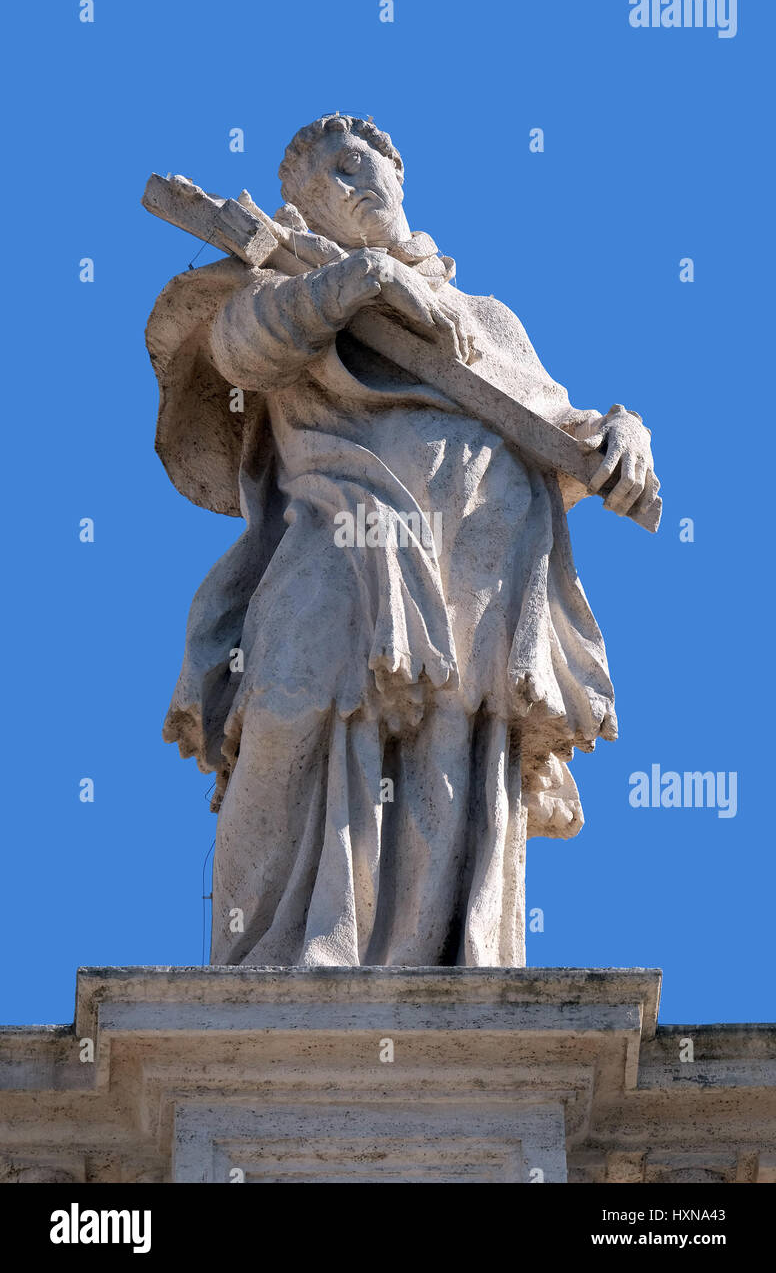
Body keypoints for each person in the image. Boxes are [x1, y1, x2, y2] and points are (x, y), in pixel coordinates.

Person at [146, 114, 655, 967]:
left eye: (367, 166)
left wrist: (624, 433)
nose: (360, 185)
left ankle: (435, 963)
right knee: (288, 706)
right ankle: (272, 959)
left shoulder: (484, 319)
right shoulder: (285, 283)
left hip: (478, 563)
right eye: (333, 179)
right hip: (343, 539)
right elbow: (241, 355)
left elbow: (556, 424)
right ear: (304, 207)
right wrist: (361, 282)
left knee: (446, 753)